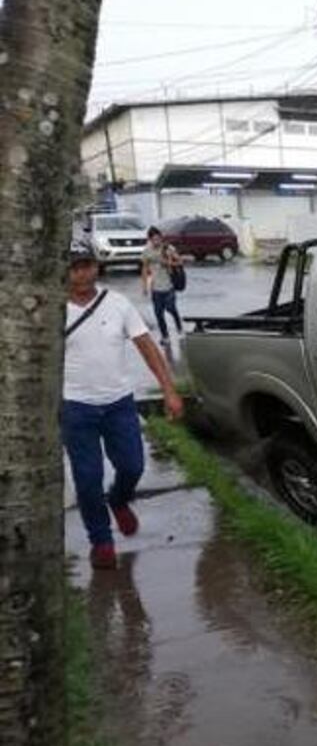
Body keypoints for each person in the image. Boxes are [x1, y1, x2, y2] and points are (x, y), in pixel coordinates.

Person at [64, 243, 184, 569]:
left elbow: (147, 347)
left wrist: (169, 391)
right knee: (88, 480)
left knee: (132, 466)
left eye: (87, 265)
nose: (82, 273)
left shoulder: (117, 303)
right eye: (75, 267)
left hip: (119, 404)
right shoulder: (53, 310)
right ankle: (101, 541)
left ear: (97, 266)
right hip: (75, 408)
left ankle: (118, 499)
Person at [141, 225, 183, 342]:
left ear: (161, 238)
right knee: (158, 313)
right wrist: (144, 286)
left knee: (171, 308)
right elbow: (144, 269)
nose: (156, 241)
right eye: (154, 239)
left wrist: (168, 263)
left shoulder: (168, 249)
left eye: (158, 239)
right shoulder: (147, 252)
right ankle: (165, 336)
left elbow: (180, 262)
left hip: (169, 286)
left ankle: (179, 327)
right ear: (150, 240)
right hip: (156, 288)